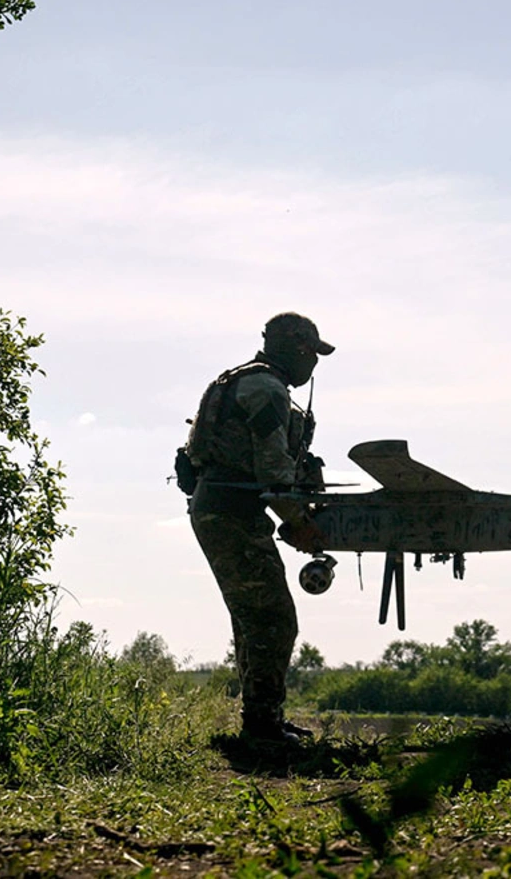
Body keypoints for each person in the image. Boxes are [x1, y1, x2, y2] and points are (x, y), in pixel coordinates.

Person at [183, 312, 332, 744]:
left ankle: (261, 719)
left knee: (253, 619)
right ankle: (262, 727)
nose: (313, 364)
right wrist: (301, 524)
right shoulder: (267, 389)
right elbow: (273, 471)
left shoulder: (240, 380)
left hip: (222, 509)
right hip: (232, 513)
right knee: (273, 620)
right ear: (294, 348)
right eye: (311, 353)